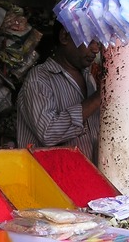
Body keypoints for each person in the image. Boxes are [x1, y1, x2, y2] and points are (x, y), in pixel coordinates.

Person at [16, 19, 102, 163]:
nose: (95, 49)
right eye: (89, 40)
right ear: (64, 37)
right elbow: (48, 132)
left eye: (98, 42)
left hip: (87, 177)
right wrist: (97, 98)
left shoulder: (89, 77)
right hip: (51, 181)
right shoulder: (39, 79)